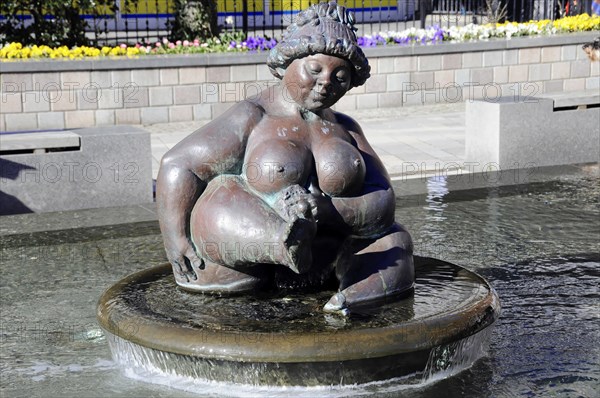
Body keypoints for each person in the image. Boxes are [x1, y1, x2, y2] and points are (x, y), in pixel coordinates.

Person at [156, 2, 414, 313]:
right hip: (243, 258)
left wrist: (325, 210)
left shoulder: (345, 127)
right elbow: (177, 165)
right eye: (315, 69)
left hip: (327, 255)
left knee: (395, 240)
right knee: (223, 194)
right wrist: (177, 240)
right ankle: (283, 242)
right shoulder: (252, 115)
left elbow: (384, 199)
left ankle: (351, 299)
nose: (326, 82)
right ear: (289, 61)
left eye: (341, 75)